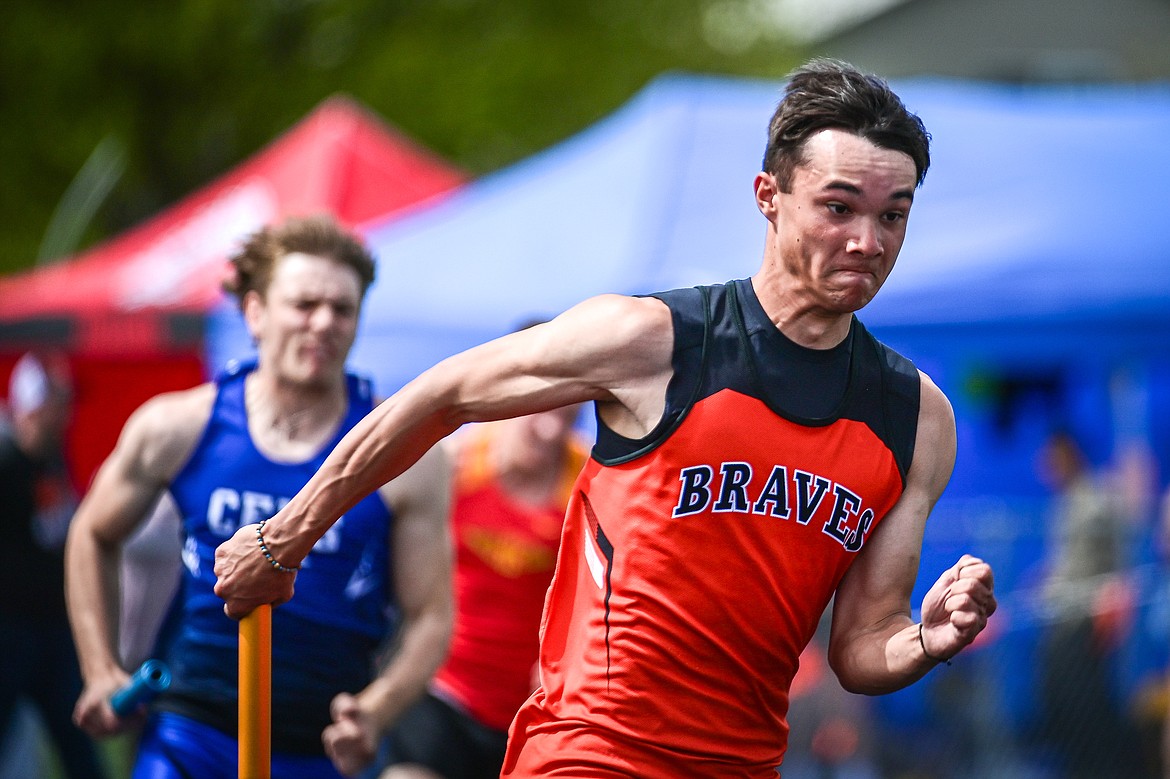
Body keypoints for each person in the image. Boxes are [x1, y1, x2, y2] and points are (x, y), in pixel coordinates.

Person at [213, 59, 998, 776]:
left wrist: (925, 639)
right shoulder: (653, 340)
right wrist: (285, 538)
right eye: (838, 207)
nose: (867, 241)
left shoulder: (914, 416)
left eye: (893, 215)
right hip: (591, 750)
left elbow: (862, 646)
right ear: (769, 197)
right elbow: (439, 394)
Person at [65, 214, 453, 779]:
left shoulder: (404, 452)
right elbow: (92, 531)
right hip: (191, 731)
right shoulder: (179, 425)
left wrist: (375, 712)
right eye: (304, 304)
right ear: (255, 312)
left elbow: (431, 617)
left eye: (342, 309)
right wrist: (101, 670)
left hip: (321, 745)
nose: (323, 322)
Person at [380, 392, 588, 779]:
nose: (551, 430)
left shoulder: (588, 482)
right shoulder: (456, 463)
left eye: (569, 419)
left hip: (533, 711)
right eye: (541, 413)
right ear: (511, 403)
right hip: (442, 690)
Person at [0, 352, 109, 779]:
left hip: (49, 628)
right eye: (57, 403)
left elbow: (55, 530)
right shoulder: (7, 461)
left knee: (79, 744)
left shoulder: (52, 457)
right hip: (9, 629)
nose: (66, 414)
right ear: (32, 406)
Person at [1034, 429, 1144, 778]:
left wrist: (1113, 608)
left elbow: (1113, 562)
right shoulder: (1066, 502)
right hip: (1062, 618)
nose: (1048, 466)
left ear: (1070, 455)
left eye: (1055, 458)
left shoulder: (1096, 499)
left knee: (1088, 705)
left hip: (1085, 618)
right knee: (1063, 703)